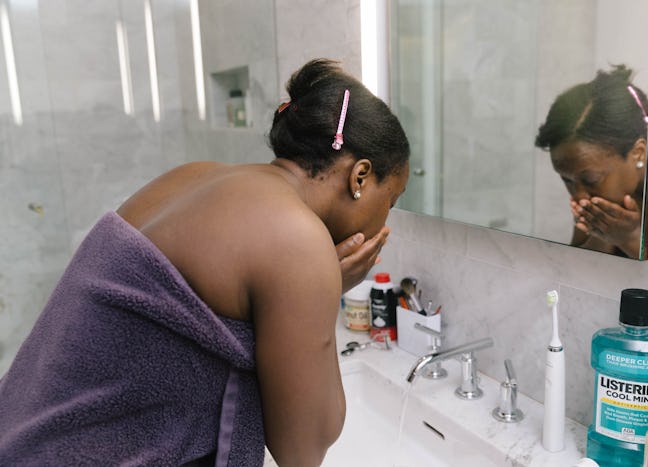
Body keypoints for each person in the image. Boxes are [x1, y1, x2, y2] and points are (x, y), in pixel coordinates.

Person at [0, 59, 410, 466]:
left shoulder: (192, 176)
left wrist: (317, 289)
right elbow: (303, 450)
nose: (385, 218)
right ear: (359, 176)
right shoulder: (296, 238)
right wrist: (321, 296)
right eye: (390, 200)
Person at [535, 65, 648, 258]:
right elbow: (576, 273)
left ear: (638, 153)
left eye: (591, 180)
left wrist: (628, 238)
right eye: (566, 180)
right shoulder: (596, 203)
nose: (580, 197)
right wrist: (602, 234)